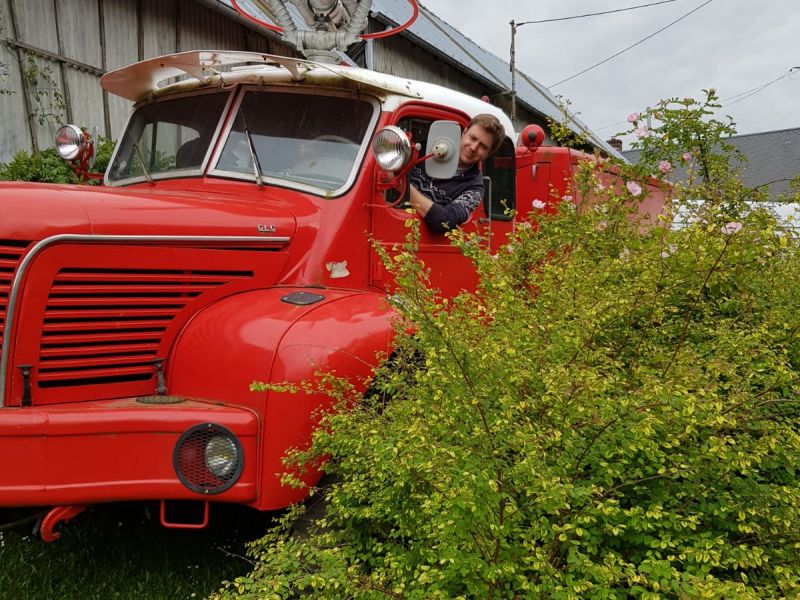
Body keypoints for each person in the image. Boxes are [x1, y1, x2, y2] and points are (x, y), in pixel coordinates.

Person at [408, 113, 505, 233]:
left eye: (483, 146)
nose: (474, 147)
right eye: (473, 138)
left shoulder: (475, 188)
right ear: (464, 132)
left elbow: (445, 221)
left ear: (488, 154)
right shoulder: (423, 149)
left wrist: (404, 188)